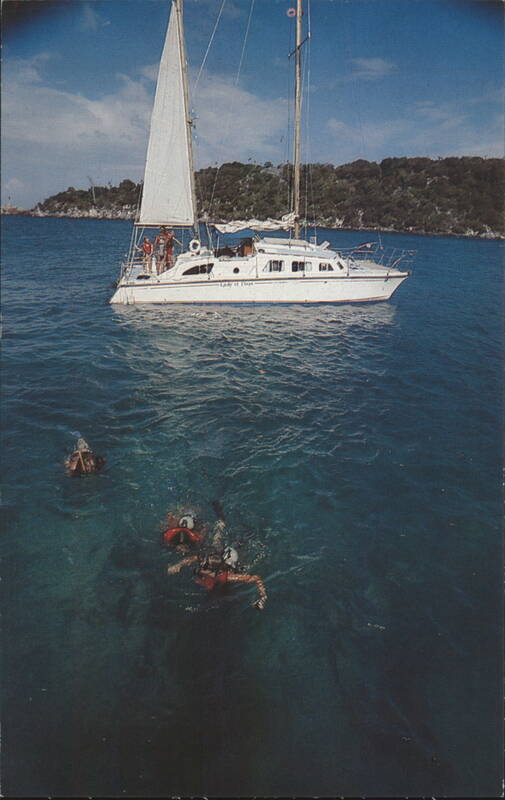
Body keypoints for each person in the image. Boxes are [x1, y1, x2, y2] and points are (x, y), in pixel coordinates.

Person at [167, 520, 267, 610]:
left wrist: (263, 597)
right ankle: (220, 526)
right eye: (204, 562)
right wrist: (178, 565)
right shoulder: (207, 561)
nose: (201, 565)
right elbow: (195, 558)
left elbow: (256, 578)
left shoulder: (227, 577)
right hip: (218, 560)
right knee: (215, 544)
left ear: (213, 571)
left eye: (205, 566)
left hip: (225, 572)